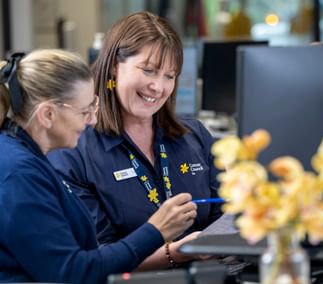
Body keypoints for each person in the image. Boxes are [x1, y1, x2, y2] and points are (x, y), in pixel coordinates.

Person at [0, 49, 197, 283]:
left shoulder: (19, 156)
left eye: (94, 107)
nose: (93, 120)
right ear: (47, 114)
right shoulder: (16, 174)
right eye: (85, 111)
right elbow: (74, 272)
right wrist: (155, 231)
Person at [48, 11, 222, 270]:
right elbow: (95, 259)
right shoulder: (74, 150)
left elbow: (228, 215)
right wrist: (178, 252)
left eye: (169, 75)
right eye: (149, 70)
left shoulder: (194, 134)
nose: (158, 86)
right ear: (115, 67)